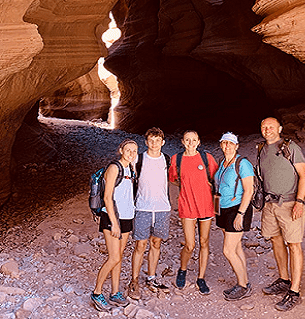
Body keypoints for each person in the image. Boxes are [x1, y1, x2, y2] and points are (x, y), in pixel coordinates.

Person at [255, 117, 305, 312]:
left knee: (294, 245)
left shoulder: (290, 147)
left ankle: (294, 291)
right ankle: (284, 279)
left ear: (280, 128)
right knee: (276, 241)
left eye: (271, 126)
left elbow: (304, 175)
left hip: (289, 203)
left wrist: (300, 202)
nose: (267, 129)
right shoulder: (261, 149)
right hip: (270, 205)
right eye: (264, 127)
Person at [168, 130, 218, 294]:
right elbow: (173, 178)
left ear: (198, 142)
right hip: (187, 205)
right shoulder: (178, 159)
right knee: (190, 244)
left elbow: (214, 177)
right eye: (187, 140)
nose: (191, 143)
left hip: (205, 205)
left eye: (194, 140)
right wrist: (186, 187)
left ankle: (201, 278)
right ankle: (182, 269)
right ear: (183, 141)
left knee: (204, 242)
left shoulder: (206, 158)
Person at [91, 139, 138, 311]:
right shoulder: (114, 168)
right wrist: (114, 223)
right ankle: (96, 293)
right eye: (128, 150)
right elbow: (107, 197)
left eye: (134, 151)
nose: (131, 153)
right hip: (112, 218)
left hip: (126, 217)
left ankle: (115, 293)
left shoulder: (130, 168)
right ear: (121, 150)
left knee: (119, 256)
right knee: (114, 258)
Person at [127, 128, 171, 299]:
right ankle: (134, 280)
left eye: (157, 140)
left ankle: (151, 278)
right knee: (140, 246)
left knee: (156, 244)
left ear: (163, 142)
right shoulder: (139, 159)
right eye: (151, 140)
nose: (154, 143)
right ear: (146, 142)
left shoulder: (166, 160)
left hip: (162, 208)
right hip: (142, 207)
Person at [214, 132, 255, 301]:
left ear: (236, 146)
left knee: (228, 250)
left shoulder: (242, 163)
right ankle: (244, 281)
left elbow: (249, 190)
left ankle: (243, 286)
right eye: (224, 143)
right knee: (236, 248)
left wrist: (240, 214)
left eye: (230, 143)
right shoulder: (222, 162)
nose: (227, 146)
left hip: (237, 209)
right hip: (222, 208)